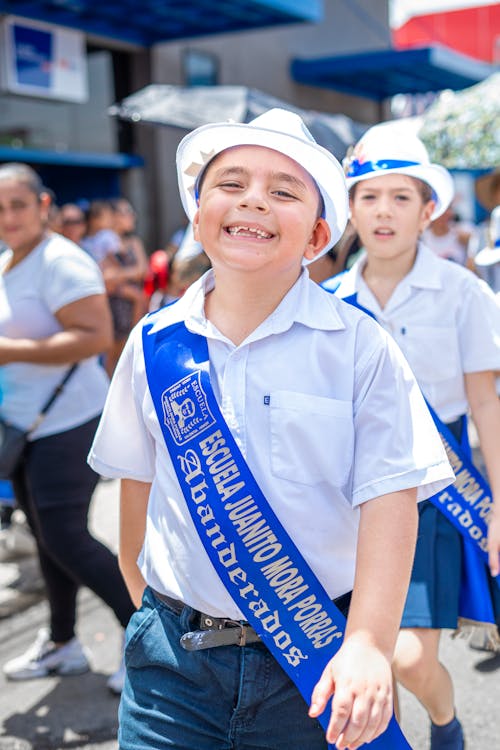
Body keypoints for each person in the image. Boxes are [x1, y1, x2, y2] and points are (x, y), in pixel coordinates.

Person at [88, 108, 454, 750]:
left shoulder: (359, 348)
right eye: (230, 184)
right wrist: (163, 615)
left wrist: (367, 643)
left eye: (283, 191)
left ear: (316, 236)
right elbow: (136, 504)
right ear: (198, 214)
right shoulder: (153, 346)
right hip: (172, 670)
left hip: (316, 660)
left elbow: (391, 499)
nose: (254, 199)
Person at [327, 123, 500, 750]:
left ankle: (449, 726)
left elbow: (485, 401)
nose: (383, 211)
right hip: (347, 494)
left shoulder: (464, 294)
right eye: (368, 196)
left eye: (401, 197)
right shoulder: (327, 300)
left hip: (433, 493)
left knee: (405, 657)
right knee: (364, 663)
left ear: (429, 210)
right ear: (348, 207)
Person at [0, 164, 135, 693]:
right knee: (45, 537)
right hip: (24, 423)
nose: (8, 217)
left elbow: (94, 335)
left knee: (67, 538)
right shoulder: (9, 261)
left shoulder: (61, 262)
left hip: (69, 421)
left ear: (43, 205)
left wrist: (6, 351)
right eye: (0, 207)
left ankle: (143, 635)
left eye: (17, 205)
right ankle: (62, 643)